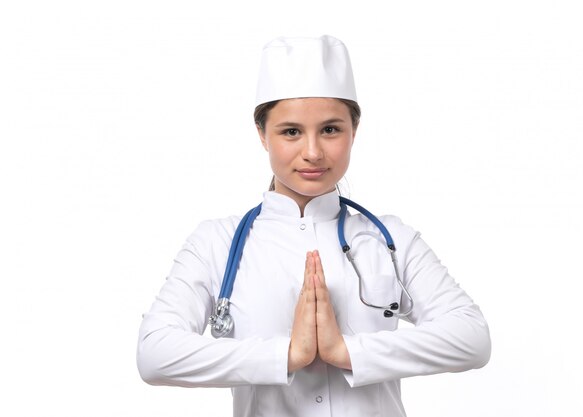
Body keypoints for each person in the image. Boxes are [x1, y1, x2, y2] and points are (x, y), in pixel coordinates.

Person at [137, 35, 491, 417]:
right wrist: (286, 356)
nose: (312, 152)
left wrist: (348, 353)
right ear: (262, 135)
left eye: (330, 130)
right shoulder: (216, 243)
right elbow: (155, 353)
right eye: (290, 132)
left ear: (354, 131)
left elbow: (472, 338)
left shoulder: (390, 239)